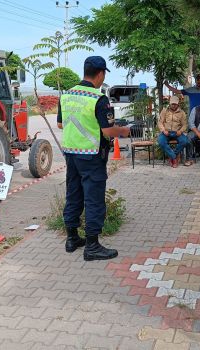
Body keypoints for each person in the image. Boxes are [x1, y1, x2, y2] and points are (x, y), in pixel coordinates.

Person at [58, 56, 130, 261]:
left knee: (73, 194)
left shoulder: (67, 95)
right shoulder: (99, 99)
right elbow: (108, 131)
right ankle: (92, 246)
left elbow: (62, 125)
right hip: (91, 156)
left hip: (71, 154)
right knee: (94, 199)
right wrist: (123, 131)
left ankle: (72, 239)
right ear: (100, 74)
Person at [157, 96, 189, 168]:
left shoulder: (182, 113)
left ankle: (172, 156)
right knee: (161, 141)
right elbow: (160, 122)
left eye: (175, 104)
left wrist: (180, 131)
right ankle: (174, 158)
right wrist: (163, 130)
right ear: (169, 103)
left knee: (185, 141)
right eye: (172, 104)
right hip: (166, 132)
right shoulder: (164, 111)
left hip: (177, 132)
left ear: (178, 104)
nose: (173, 105)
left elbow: (185, 125)